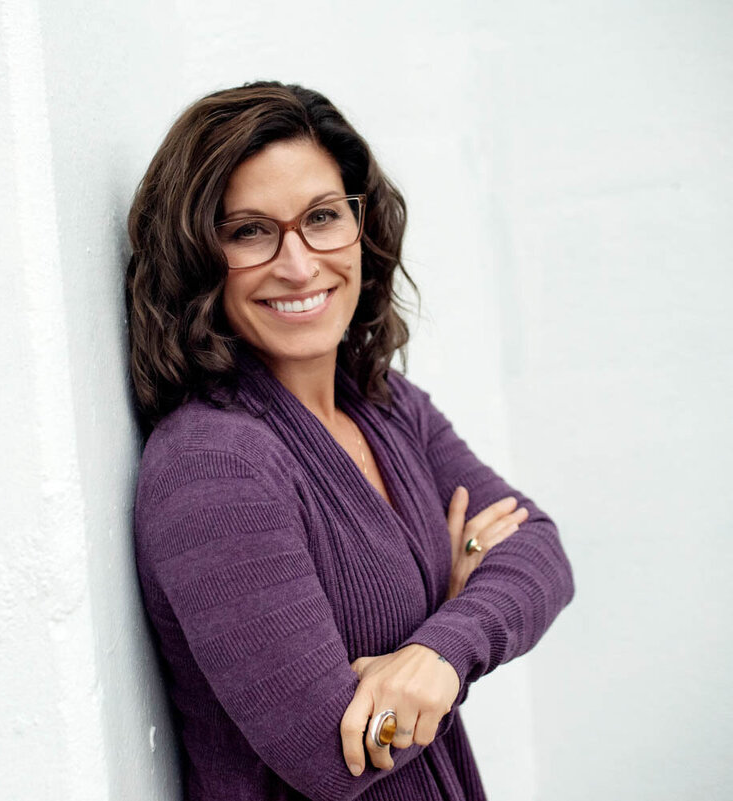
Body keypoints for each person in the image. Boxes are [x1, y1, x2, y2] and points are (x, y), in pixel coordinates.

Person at [125, 81, 574, 801]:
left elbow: (540, 549)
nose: (299, 264)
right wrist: (455, 604)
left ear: (361, 227)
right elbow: (333, 751)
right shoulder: (213, 466)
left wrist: (438, 649)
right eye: (249, 231)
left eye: (323, 217)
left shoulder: (387, 402)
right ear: (196, 257)